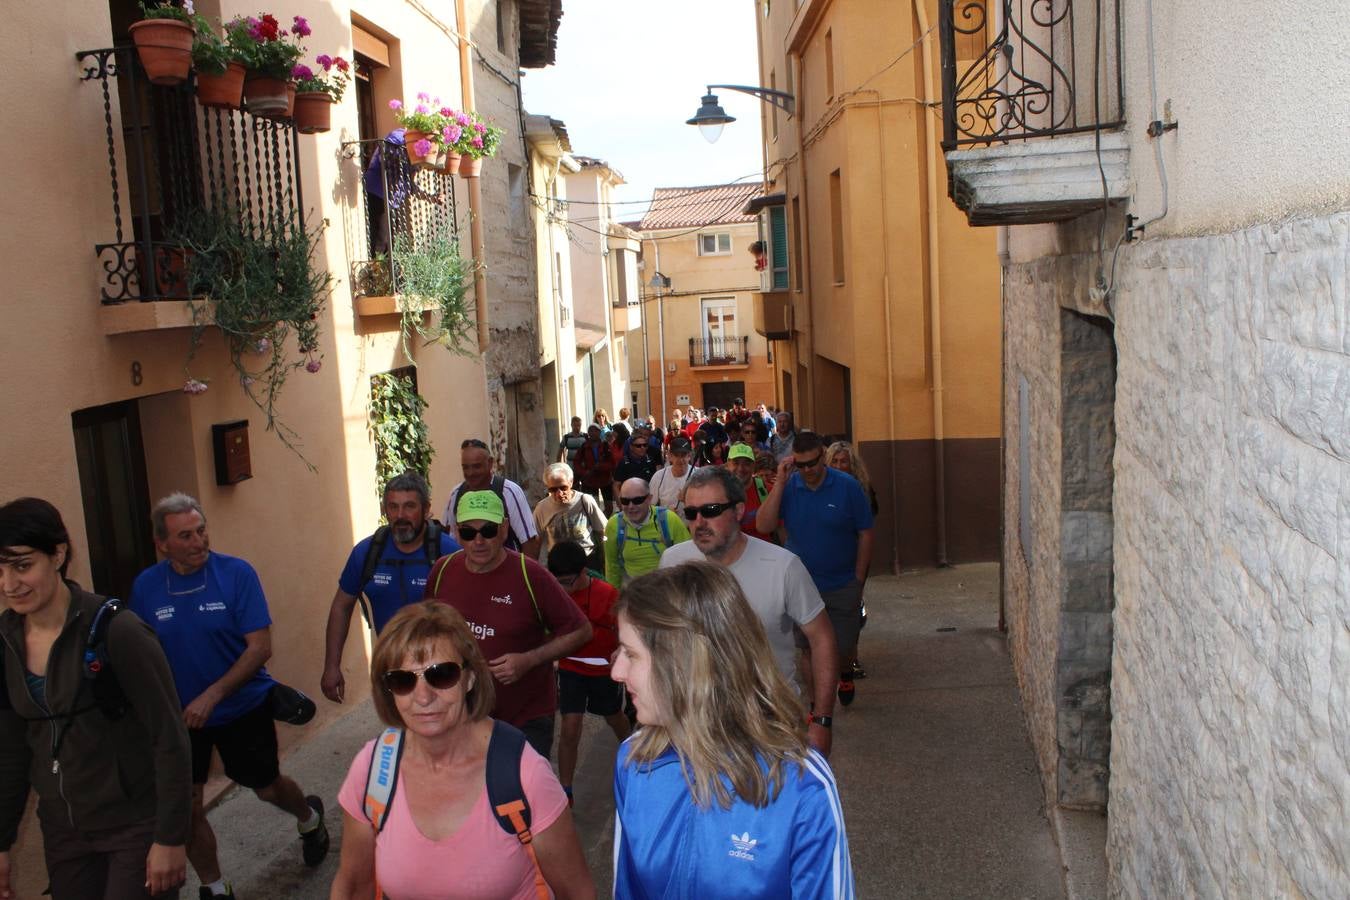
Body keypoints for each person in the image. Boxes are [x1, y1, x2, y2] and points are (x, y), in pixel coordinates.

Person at [611, 563, 854, 897]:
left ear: (685, 663)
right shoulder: (635, 760)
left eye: (630, 654)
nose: (617, 671)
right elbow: (628, 890)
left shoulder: (800, 785)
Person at [130, 494, 329, 899]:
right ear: (162, 544)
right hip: (180, 720)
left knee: (266, 787)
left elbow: (259, 647)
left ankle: (308, 817)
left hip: (241, 706)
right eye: (185, 535)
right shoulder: (147, 588)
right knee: (186, 808)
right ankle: (216, 887)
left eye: (201, 530)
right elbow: (140, 653)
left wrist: (212, 696)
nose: (199, 541)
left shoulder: (236, 574)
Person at [329, 601, 594, 900]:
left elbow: (577, 892)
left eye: (441, 675)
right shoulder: (373, 770)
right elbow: (353, 885)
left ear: (470, 678)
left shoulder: (523, 775)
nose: (424, 697)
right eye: (402, 680)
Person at [0, 498, 191, 900]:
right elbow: (12, 750)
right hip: (63, 832)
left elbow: (170, 737)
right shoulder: (5, 643)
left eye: (21, 565)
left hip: (135, 825)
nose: (8, 584)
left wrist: (170, 837)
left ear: (58, 554)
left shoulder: (117, 631)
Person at [659, 467, 838, 755]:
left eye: (712, 510)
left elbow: (822, 639)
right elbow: (662, 638)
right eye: (691, 513)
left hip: (773, 726)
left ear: (739, 510)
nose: (700, 522)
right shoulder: (672, 562)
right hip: (699, 728)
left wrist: (822, 720)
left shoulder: (783, 567)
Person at [424, 491, 592, 760]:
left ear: (504, 528)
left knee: (521, 797)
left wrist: (529, 659)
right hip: (463, 715)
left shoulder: (531, 575)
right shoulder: (443, 571)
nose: (478, 541)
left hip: (525, 717)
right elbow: (428, 633)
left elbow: (581, 631)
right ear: (455, 532)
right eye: (468, 533)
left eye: (488, 530)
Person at [757, 432, 875, 708]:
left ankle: (845, 673)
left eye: (812, 463)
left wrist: (859, 579)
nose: (807, 470)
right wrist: (781, 481)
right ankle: (818, 708)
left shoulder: (847, 487)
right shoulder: (790, 485)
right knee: (809, 649)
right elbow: (764, 525)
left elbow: (866, 533)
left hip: (842, 582)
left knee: (842, 648)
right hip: (803, 586)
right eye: (800, 465)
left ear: (822, 457)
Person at [322, 471, 461, 704]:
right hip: (392, 670)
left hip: (442, 670)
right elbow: (341, 607)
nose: (400, 515)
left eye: (409, 506)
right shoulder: (366, 553)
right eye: (393, 507)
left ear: (426, 510)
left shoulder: (447, 553)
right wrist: (331, 666)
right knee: (400, 734)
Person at [545, 542, 630, 806]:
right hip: (571, 669)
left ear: (584, 572)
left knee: (615, 718)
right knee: (570, 728)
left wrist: (622, 652)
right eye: (558, 582)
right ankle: (566, 790)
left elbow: (625, 630)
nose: (564, 589)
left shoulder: (607, 594)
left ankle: (638, 758)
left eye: (568, 581)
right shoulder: (553, 594)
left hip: (603, 672)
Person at [443, 439, 541, 560]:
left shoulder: (509, 492)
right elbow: (449, 538)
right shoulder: (456, 494)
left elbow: (529, 542)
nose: (470, 473)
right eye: (465, 467)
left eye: (476, 466)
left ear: (490, 463)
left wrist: (524, 575)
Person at [603, 478, 690, 589]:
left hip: (668, 592)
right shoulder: (614, 524)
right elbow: (612, 566)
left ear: (649, 499)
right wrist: (614, 597)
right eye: (625, 501)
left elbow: (688, 559)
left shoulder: (669, 520)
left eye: (637, 500)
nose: (631, 506)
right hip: (633, 595)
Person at [532, 462, 607, 570]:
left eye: (563, 488)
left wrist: (605, 561)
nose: (559, 493)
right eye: (553, 490)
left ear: (571, 482)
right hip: (558, 566)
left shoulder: (584, 501)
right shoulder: (541, 508)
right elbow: (535, 541)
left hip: (587, 562)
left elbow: (602, 531)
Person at [725, 443, 777, 543]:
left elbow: (781, 528)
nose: (741, 468)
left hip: (762, 554)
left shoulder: (767, 490)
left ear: (753, 466)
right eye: (736, 463)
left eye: (746, 464)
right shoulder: (718, 491)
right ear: (728, 464)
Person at [572, 425, 618, 516]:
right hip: (590, 482)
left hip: (606, 480)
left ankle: (605, 523)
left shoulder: (605, 446)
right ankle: (596, 526)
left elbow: (612, 463)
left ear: (599, 432)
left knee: (609, 507)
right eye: (590, 431)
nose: (593, 433)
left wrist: (601, 466)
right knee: (592, 506)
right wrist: (584, 472)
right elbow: (576, 462)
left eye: (595, 431)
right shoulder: (584, 447)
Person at [827, 441, 880, 516]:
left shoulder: (861, 486)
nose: (838, 466)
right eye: (834, 461)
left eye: (843, 461)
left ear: (852, 464)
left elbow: (872, 512)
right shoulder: (823, 486)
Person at [648, 435, 696, 515]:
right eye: (676, 455)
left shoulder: (699, 475)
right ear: (670, 456)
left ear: (689, 456)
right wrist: (665, 512)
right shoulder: (658, 477)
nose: (680, 460)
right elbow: (649, 507)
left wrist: (687, 500)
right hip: (667, 526)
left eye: (684, 455)